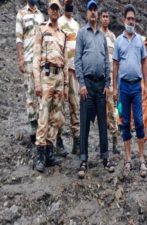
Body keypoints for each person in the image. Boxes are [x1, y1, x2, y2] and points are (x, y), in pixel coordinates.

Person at [75, 0, 114, 179]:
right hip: (87, 85)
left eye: (95, 10)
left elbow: (106, 61)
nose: (92, 13)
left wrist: (107, 84)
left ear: (97, 14)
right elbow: (77, 60)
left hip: (101, 86)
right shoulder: (82, 33)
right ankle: (83, 160)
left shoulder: (102, 37)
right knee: (84, 123)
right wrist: (81, 84)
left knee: (103, 123)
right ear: (86, 14)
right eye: (90, 10)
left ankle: (105, 157)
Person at [113, 4, 147, 177]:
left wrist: (146, 85)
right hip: (123, 86)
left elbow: (144, 63)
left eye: (133, 19)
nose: (131, 21)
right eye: (128, 18)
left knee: (140, 122)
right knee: (125, 123)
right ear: (124, 20)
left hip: (136, 86)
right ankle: (128, 159)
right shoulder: (118, 41)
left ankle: (141, 159)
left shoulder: (140, 40)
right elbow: (115, 65)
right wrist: (114, 88)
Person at [32, 0, 67, 172]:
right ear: (48, 10)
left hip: (59, 77)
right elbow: (36, 57)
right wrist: (37, 83)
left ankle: (49, 153)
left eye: (57, 8)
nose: (54, 11)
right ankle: (39, 155)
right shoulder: (41, 29)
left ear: (60, 12)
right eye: (52, 8)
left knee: (56, 117)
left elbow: (65, 62)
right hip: (46, 77)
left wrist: (66, 85)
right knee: (43, 116)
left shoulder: (63, 35)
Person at [16, 0, 44, 144]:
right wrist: (21, 59)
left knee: (41, 94)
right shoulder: (21, 14)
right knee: (30, 94)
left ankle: (41, 126)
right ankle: (33, 127)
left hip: (40, 63)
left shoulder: (41, 16)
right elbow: (19, 39)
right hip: (27, 60)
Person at [57, 0, 80, 156]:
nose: (69, 5)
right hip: (61, 70)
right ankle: (58, 141)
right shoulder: (58, 22)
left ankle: (76, 141)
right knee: (59, 107)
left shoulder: (77, 25)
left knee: (75, 106)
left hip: (74, 70)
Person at [99, 7, 120, 154]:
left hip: (111, 79)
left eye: (107, 16)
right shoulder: (96, 34)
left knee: (112, 111)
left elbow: (116, 61)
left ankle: (114, 141)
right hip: (99, 79)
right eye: (103, 16)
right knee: (100, 110)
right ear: (100, 18)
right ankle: (102, 141)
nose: (105, 18)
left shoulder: (113, 37)